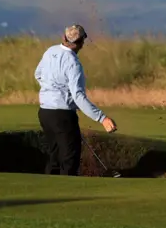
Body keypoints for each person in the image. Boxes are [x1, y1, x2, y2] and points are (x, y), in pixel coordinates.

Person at [34, 24, 117, 176]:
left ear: (63, 37)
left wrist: (50, 90)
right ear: (81, 43)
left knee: (54, 158)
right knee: (69, 160)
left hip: (45, 113)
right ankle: (65, 194)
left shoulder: (50, 51)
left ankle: (48, 191)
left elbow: (38, 74)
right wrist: (102, 118)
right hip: (63, 116)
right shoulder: (73, 64)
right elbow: (78, 96)